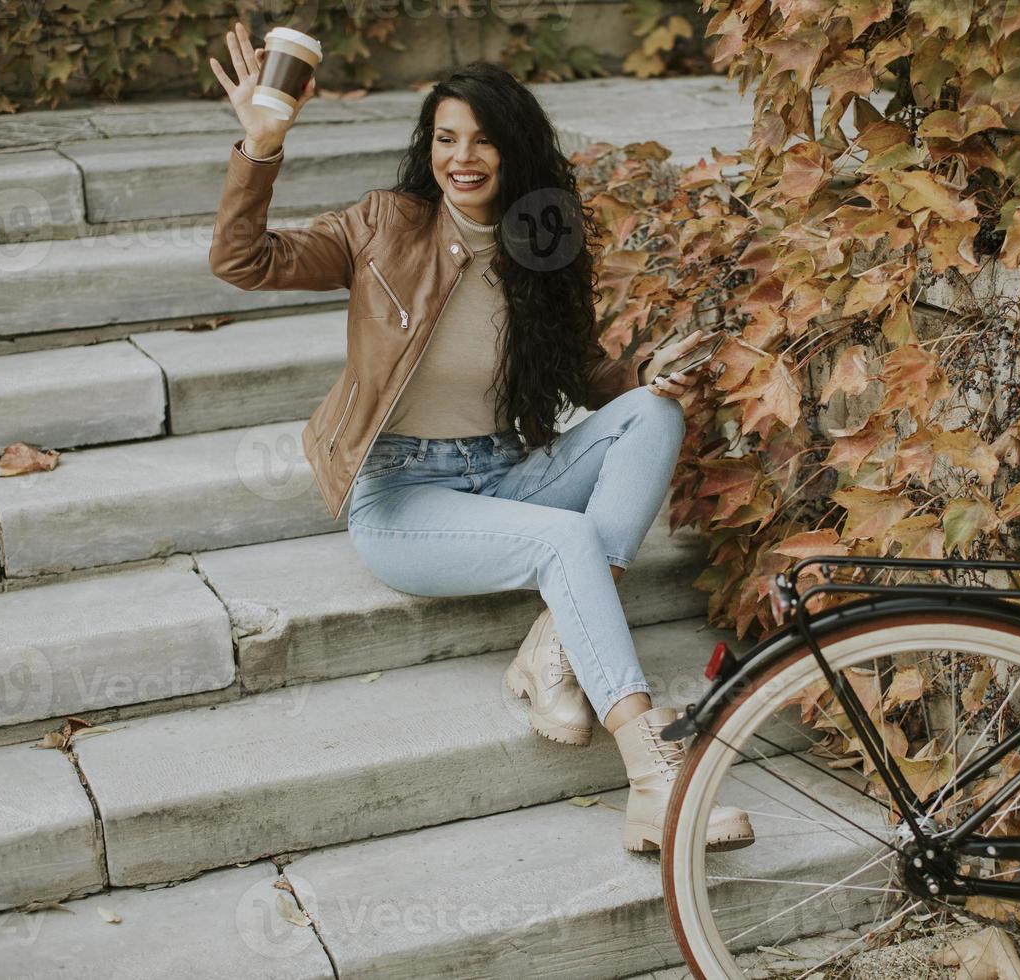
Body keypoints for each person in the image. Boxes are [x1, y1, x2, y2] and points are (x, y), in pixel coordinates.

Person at [208, 22, 753, 853]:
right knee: (567, 538)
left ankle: (555, 643)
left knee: (654, 413)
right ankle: (652, 779)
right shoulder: (383, 225)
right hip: (401, 498)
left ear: (515, 151)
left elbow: (585, 375)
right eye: (445, 137)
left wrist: (652, 373)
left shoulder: (540, 242)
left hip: (501, 475)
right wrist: (261, 145)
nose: (462, 157)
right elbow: (244, 261)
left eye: (483, 139)